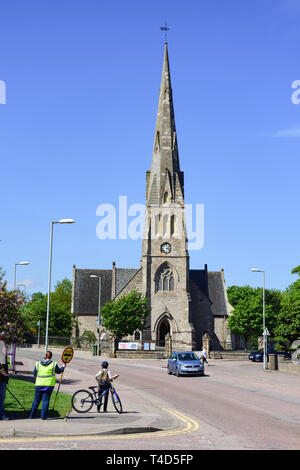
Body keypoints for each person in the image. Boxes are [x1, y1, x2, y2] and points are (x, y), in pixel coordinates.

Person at [29, 351, 64, 420]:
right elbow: (59, 371)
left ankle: (31, 415)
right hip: (49, 384)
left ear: (45, 356)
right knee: (45, 400)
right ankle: (43, 417)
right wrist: (63, 367)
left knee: (36, 400)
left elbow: (34, 373)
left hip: (39, 384)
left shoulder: (38, 363)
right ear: (51, 356)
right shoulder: (53, 364)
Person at [0, 336, 9, 420]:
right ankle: (1, 415)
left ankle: (2, 414)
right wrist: (5, 375)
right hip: (1, 379)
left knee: (2, 398)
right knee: (1, 398)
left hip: (3, 380)